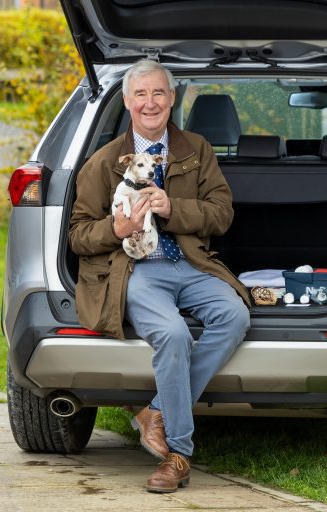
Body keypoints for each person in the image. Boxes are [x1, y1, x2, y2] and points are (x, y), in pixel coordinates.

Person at [69, 59, 251, 493]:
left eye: (159, 94)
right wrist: (116, 230)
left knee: (235, 316)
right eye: (141, 94)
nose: (150, 103)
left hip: (190, 262)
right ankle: (179, 455)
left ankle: (154, 412)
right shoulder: (102, 162)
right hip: (136, 267)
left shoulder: (197, 150)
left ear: (172, 99)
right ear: (128, 102)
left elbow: (222, 214)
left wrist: (172, 209)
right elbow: (78, 234)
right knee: (172, 335)